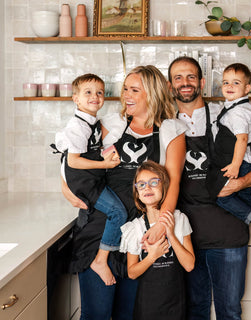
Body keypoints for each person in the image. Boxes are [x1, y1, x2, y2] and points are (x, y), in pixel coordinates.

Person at [60, 65, 187, 320]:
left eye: (134, 90)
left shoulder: (172, 130)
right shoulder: (111, 124)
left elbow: (173, 184)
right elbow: (71, 155)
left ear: (151, 94)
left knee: (127, 314)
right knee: (97, 313)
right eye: (125, 89)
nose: (126, 95)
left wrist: (162, 224)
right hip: (101, 226)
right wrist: (64, 186)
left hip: (138, 234)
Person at [167, 56, 251, 320]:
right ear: (170, 86)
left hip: (227, 232)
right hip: (186, 234)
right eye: (178, 78)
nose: (185, 83)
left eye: (191, 76)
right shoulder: (166, 122)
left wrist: (240, 182)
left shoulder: (224, 114)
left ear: (202, 82)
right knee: (194, 310)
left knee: (229, 311)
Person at [54, 73, 127, 286]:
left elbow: (88, 150)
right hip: (84, 182)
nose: (95, 96)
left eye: (99, 93)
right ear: (75, 98)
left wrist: (108, 155)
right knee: (117, 212)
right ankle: (100, 261)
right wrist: (104, 165)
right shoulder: (78, 126)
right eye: (88, 93)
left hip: (91, 179)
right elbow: (74, 161)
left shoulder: (92, 122)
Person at [120, 160, 195, 320]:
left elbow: (189, 265)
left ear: (165, 187)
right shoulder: (134, 228)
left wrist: (171, 234)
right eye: (141, 185)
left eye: (153, 182)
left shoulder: (180, 219)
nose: (147, 187)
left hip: (176, 302)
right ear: (137, 193)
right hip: (148, 305)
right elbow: (132, 273)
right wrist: (152, 256)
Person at [212, 63, 251, 242]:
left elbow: (242, 139)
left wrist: (235, 166)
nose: (229, 86)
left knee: (220, 195)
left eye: (236, 83)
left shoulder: (237, 112)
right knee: (245, 194)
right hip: (247, 159)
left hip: (240, 161)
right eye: (226, 82)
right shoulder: (238, 107)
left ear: (247, 88)